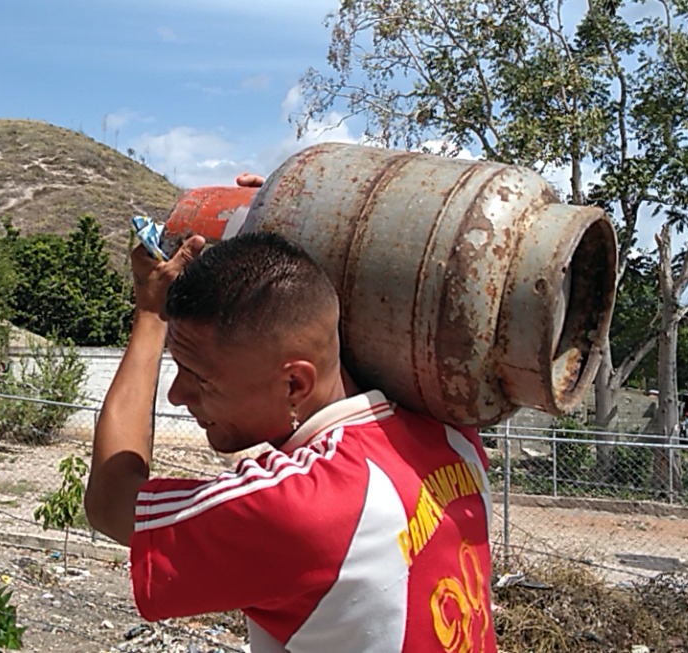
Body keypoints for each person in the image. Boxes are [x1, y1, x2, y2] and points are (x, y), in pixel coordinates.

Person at [84, 181, 498, 653]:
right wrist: (295, 215)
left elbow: (111, 501)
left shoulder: (301, 507)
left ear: (295, 384)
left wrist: (151, 312)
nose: (177, 396)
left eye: (200, 378)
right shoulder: (449, 430)